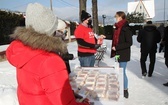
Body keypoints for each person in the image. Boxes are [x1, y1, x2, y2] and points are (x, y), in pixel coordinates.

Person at [6, 3, 90, 105]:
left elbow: (40, 86)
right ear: (49, 29)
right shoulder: (50, 60)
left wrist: (70, 94)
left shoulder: (22, 50)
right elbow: (64, 102)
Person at [110, 11, 133, 98]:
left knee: (122, 72)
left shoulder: (126, 28)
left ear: (120, 17)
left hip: (123, 54)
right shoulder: (117, 27)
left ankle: (125, 89)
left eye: (116, 16)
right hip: (117, 53)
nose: (115, 17)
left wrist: (117, 47)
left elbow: (129, 42)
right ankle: (119, 86)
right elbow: (115, 39)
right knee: (117, 70)